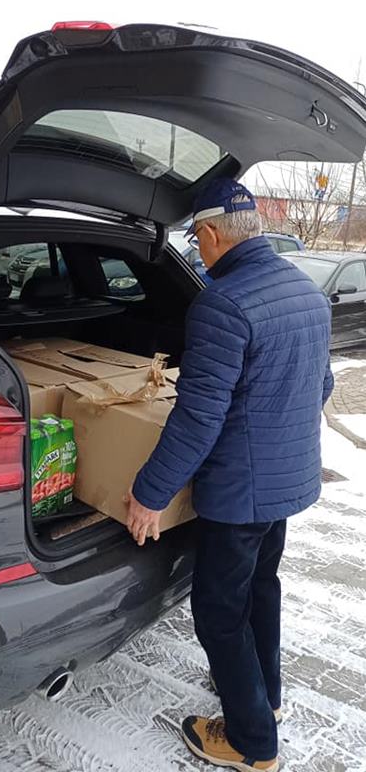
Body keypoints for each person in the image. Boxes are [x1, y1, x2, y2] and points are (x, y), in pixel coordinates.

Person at [125, 178, 334, 772]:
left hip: (241, 493)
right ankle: (266, 698)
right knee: (261, 587)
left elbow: (199, 417)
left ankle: (251, 743)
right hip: (286, 480)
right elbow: (321, 386)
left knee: (219, 613)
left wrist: (149, 493)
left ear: (212, 233)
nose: (200, 249)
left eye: (197, 239)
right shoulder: (305, 290)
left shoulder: (224, 303)